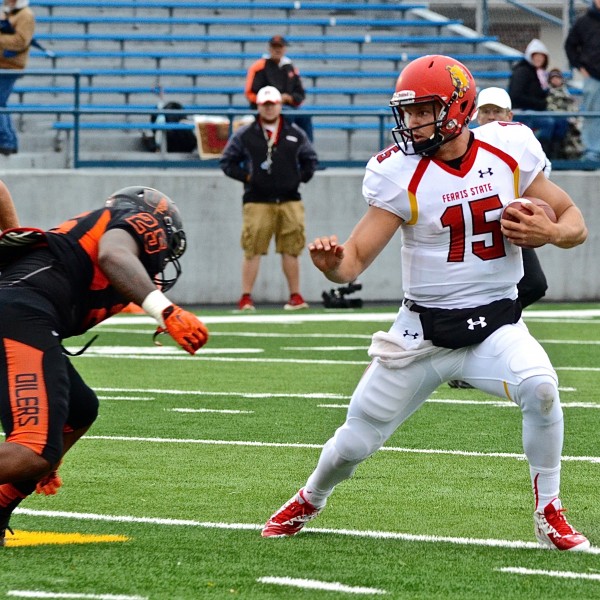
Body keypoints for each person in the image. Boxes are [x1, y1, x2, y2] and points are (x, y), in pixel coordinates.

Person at [261, 55, 590, 552]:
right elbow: (352, 264)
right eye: (408, 112)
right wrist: (331, 264)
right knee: (354, 442)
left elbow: (574, 221)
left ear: (457, 107)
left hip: (495, 325)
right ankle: (311, 496)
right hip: (423, 332)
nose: (412, 122)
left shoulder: (507, 149)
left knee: (542, 388)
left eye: (423, 111)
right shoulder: (399, 173)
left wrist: (552, 231)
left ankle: (549, 510)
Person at [0, 186, 209, 545]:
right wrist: (166, 310)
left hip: (21, 314)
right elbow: (114, 255)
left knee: (78, 413)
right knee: (33, 450)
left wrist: (48, 453)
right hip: (17, 313)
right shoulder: (138, 223)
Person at [220, 85, 318, 311]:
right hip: (257, 200)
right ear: (258, 106)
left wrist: (297, 179)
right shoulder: (245, 134)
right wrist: (248, 177)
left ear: (279, 105)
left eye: (272, 104)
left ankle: (295, 296)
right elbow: (227, 162)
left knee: (292, 248)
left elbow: (310, 159)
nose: (269, 109)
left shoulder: (294, 133)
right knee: (253, 248)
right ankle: (246, 297)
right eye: (265, 105)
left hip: (289, 199)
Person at [245, 35, 313, 142]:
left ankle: (307, 152)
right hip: (265, 107)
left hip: (287, 107)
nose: (277, 50)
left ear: (284, 48)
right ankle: (282, 149)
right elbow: (250, 93)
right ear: (269, 48)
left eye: (280, 47)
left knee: (304, 115)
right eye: (274, 47)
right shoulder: (259, 67)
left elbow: (300, 94)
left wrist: (288, 98)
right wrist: (272, 100)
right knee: (285, 114)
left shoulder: (290, 67)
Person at [508, 39, 568, 159]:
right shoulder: (522, 72)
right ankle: (539, 154)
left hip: (536, 110)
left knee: (561, 121)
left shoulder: (539, 74)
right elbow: (516, 96)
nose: (539, 59)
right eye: (536, 56)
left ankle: (555, 154)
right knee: (548, 122)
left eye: (542, 57)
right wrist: (540, 104)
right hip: (523, 110)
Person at [565, 0, 600, 162]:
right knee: (592, 114)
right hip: (593, 77)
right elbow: (570, 46)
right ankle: (592, 151)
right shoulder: (583, 22)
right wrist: (580, 67)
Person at [0, 0, 34, 155]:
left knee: (0, 102)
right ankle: (8, 140)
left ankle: (7, 140)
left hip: (10, 65)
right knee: (1, 103)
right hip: (3, 63)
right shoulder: (9, 12)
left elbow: (21, 41)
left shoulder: (25, 15)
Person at [546, 68, 584, 160]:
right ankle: (557, 156)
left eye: (558, 77)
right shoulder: (546, 93)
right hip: (555, 119)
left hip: (569, 119)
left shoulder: (567, 93)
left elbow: (573, 108)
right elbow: (549, 107)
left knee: (578, 125)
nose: (555, 80)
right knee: (561, 124)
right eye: (553, 78)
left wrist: (573, 118)